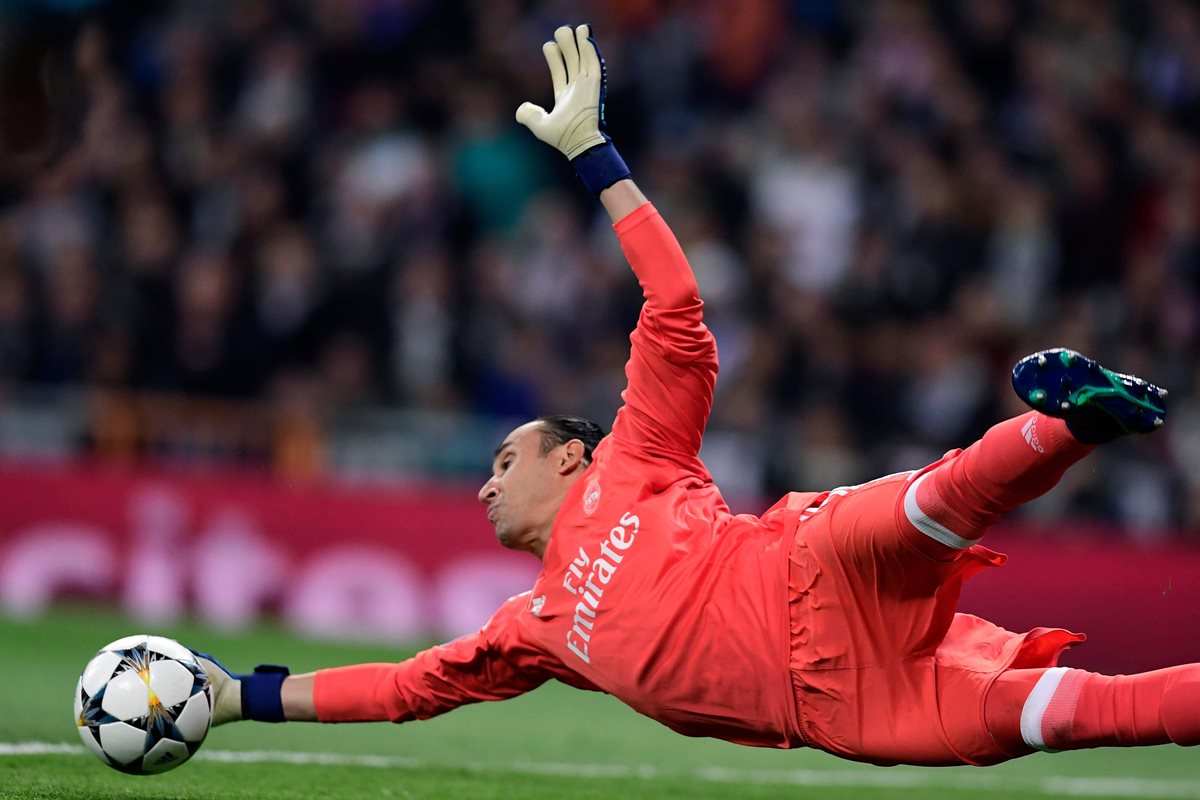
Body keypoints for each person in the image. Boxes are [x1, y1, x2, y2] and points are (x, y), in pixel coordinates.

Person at [197, 25, 1197, 767]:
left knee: (936, 501)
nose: (485, 484)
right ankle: (1067, 423)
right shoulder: (532, 626)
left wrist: (597, 159)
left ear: (570, 455)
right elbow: (405, 686)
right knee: (1082, 713)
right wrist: (244, 693)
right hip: (846, 707)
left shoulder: (635, 455)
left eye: (506, 459)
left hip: (813, 569)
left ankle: (1066, 422)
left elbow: (675, 300)